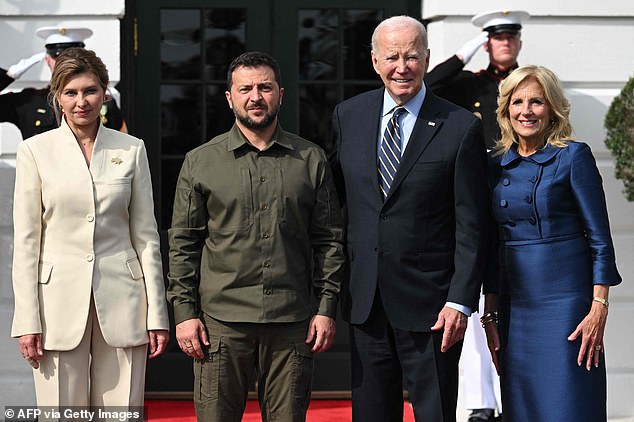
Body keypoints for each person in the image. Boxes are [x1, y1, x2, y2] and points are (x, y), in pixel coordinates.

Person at [167, 51, 345, 422]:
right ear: (229, 97)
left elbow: (329, 241)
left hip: (292, 323)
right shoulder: (201, 161)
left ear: (280, 93)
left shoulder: (311, 159)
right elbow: (183, 244)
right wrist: (184, 313)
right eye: (245, 88)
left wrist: (327, 308)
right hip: (221, 324)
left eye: (265, 87)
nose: (255, 97)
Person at [329, 16, 488, 421]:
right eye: (392, 57)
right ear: (375, 61)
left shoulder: (460, 126)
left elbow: (472, 224)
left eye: (412, 56)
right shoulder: (349, 116)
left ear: (428, 58)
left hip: (433, 308)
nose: (403, 66)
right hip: (365, 301)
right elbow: (335, 205)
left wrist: (460, 301)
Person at [11, 47, 169, 407]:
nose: (81, 101)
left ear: (105, 93)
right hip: (55, 307)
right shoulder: (35, 151)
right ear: (57, 98)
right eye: (71, 92)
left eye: (90, 90)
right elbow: (26, 243)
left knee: (121, 411)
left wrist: (158, 313)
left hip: (125, 301)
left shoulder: (131, 149)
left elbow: (146, 237)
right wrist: (26, 321)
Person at [483, 65, 622, 421]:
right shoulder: (495, 164)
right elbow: (492, 247)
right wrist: (492, 313)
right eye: (517, 102)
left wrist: (598, 307)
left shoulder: (573, 156)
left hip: (567, 309)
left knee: (567, 405)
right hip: (517, 309)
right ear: (505, 110)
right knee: (522, 408)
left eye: (536, 102)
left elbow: (601, 240)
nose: (526, 111)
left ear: (552, 108)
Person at [0, 26, 127, 140]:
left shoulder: (101, 101)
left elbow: (120, 146)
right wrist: (8, 76)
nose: (64, 64)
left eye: (71, 58)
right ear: (48, 60)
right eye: (57, 57)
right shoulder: (29, 101)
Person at [426, 9, 530, 148]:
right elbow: (427, 87)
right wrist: (461, 57)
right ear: (486, 44)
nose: (505, 42)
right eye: (498, 37)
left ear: (520, 43)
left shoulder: (530, 83)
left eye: (511, 37)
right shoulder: (471, 83)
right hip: (480, 163)